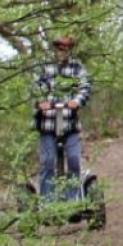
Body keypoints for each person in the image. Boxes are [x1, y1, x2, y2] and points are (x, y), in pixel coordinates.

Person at [32, 34, 92, 201]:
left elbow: (85, 86)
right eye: (60, 48)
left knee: (73, 160)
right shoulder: (43, 66)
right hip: (48, 123)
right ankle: (48, 202)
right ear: (54, 48)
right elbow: (35, 87)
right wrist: (40, 102)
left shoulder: (77, 67)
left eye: (67, 49)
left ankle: (74, 201)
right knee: (48, 162)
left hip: (69, 122)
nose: (63, 52)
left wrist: (77, 101)